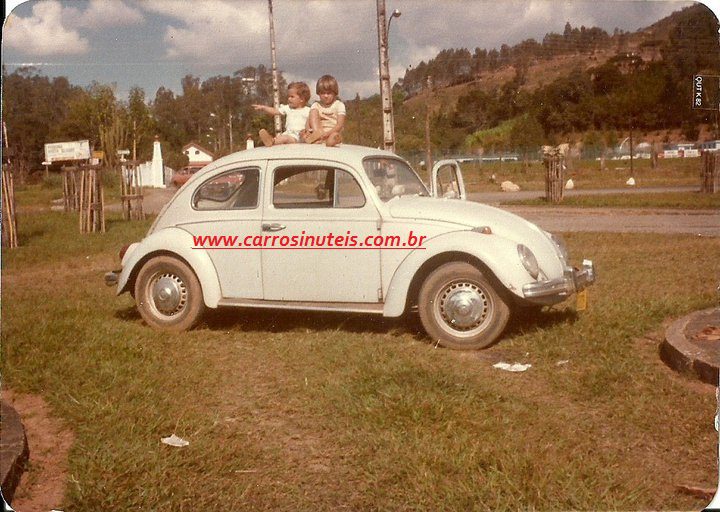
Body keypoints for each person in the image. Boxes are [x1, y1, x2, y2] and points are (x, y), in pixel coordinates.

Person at [252, 82, 311, 146]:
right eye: (288, 96)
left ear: (302, 99)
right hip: (289, 134)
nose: (289, 99)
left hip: (299, 136)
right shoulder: (288, 108)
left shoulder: (308, 110)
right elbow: (275, 111)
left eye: (292, 97)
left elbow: (312, 122)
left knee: (285, 138)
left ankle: (272, 141)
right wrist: (263, 107)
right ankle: (271, 140)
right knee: (282, 138)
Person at [305, 75, 346, 147]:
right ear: (318, 93)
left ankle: (330, 140)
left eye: (329, 93)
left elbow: (340, 125)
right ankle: (317, 137)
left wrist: (328, 133)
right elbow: (309, 120)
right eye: (323, 93)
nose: (326, 96)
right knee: (313, 111)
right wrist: (308, 129)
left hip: (332, 132)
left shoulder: (339, 105)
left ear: (334, 93)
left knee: (334, 136)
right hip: (319, 132)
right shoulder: (316, 105)